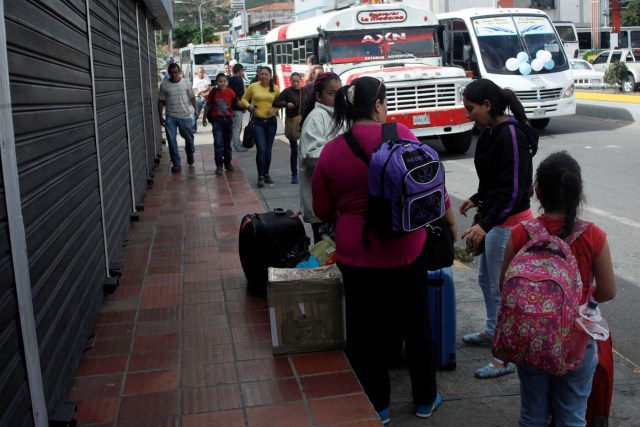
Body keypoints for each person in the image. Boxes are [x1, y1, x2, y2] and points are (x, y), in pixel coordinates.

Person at [312, 76, 457, 425]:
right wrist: (450, 223)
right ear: (378, 105)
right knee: (416, 324)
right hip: (406, 249)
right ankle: (425, 399)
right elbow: (431, 187)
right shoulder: (402, 135)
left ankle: (378, 405)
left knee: (364, 330)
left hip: (356, 252)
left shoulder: (332, 150)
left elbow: (322, 209)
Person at [500, 151, 616, 426]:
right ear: (577, 192)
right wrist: (580, 298)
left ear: (537, 191)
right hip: (576, 341)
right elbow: (609, 291)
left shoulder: (520, 233)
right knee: (572, 415)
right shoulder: (594, 236)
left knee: (533, 415)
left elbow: (504, 285)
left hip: (531, 337)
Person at [459, 78, 539, 378]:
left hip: (511, 224)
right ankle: (493, 331)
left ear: (488, 105)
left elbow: (515, 189)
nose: (468, 116)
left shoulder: (511, 135)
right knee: (486, 282)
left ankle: (506, 357)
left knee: (503, 289)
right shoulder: (492, 132)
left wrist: (486, 224)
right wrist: (476, 198)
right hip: (496, 221)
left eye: (471, 109)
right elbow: (494, 181)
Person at [298, 72, 342, 242]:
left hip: (334, 202)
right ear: (318, 96)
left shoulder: (339, 115)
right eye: (331, 94)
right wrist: (343, 156)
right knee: (325, 254)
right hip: (321, 204)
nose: (337, 98)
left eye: (340, 93)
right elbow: (312, 156)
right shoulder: (316, 117)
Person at [241, 66, 280, 188]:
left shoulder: (275, 88)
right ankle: (260, 176)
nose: (263, 76)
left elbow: (279, 103)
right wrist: (249, 107)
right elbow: (243, 99)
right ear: (259, 75)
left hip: (271, 122)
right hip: (257, 122)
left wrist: (274, 109)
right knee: (261, 149)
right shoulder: (253, 86)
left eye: (266, 74)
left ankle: (266, 174)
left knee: (268, 150)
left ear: (270, 76)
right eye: (261, 74)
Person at [158, 63, 198, 173]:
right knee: (171, 140)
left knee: (189, 139)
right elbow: (161, 101)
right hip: (171, 117)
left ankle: (190, 154)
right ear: (169, 73)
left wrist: (196, 110)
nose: (174, 75)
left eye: (176, 72)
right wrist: (160, 116)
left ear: (179, 71)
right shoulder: (164, 85)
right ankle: (176, 163)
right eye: (171, 73)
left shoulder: (186, 83)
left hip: (185, 116)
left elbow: (193, 97)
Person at [273, 72, 308, 184]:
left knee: (305, 149)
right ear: (290, 81)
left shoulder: (305, 91)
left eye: (297, 81)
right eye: (293, 81)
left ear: (301, 81)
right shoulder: (287, 91)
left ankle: (306, 172)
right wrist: (286, 104)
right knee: (294, 149)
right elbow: (276, 102)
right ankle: (294, 174)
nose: (295, 83)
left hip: (304, 122)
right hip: (292, 122)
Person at [203, 73, 239, 175]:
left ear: (227, 82)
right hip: (217, 121)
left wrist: (248, 106)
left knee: (227, 144)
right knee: (218, 143)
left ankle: (228, 163)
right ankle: (219, 165)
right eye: (220, 81)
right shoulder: (213, 92)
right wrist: (204, 118)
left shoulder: (231, 92)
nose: (222, 83)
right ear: (217, 83)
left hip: (228, 120)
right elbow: (208, 105)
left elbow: (237, 102)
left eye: (224, 81)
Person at [228, 63, 248, 153]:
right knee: (237, 127)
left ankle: (237, 143)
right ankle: (236, 145)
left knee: (233, 127)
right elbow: (240, 95)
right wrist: (243, 106)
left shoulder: (228, 79)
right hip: (237, 107)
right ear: (240, 71)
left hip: (230, 108)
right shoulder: (239, 80)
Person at [192, 66, 211, 132]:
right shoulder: (195, 79)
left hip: (206, 97)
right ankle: (193, 128)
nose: (201, 73)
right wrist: (201, 96)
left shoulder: (207, 78)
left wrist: (201, 92)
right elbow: (195, 89)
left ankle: (214, 127)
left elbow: (208, 87)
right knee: (195, 113)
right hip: (198, 98)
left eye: (202, 72)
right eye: (200, 72)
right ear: (197, 73)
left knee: (210, 113)